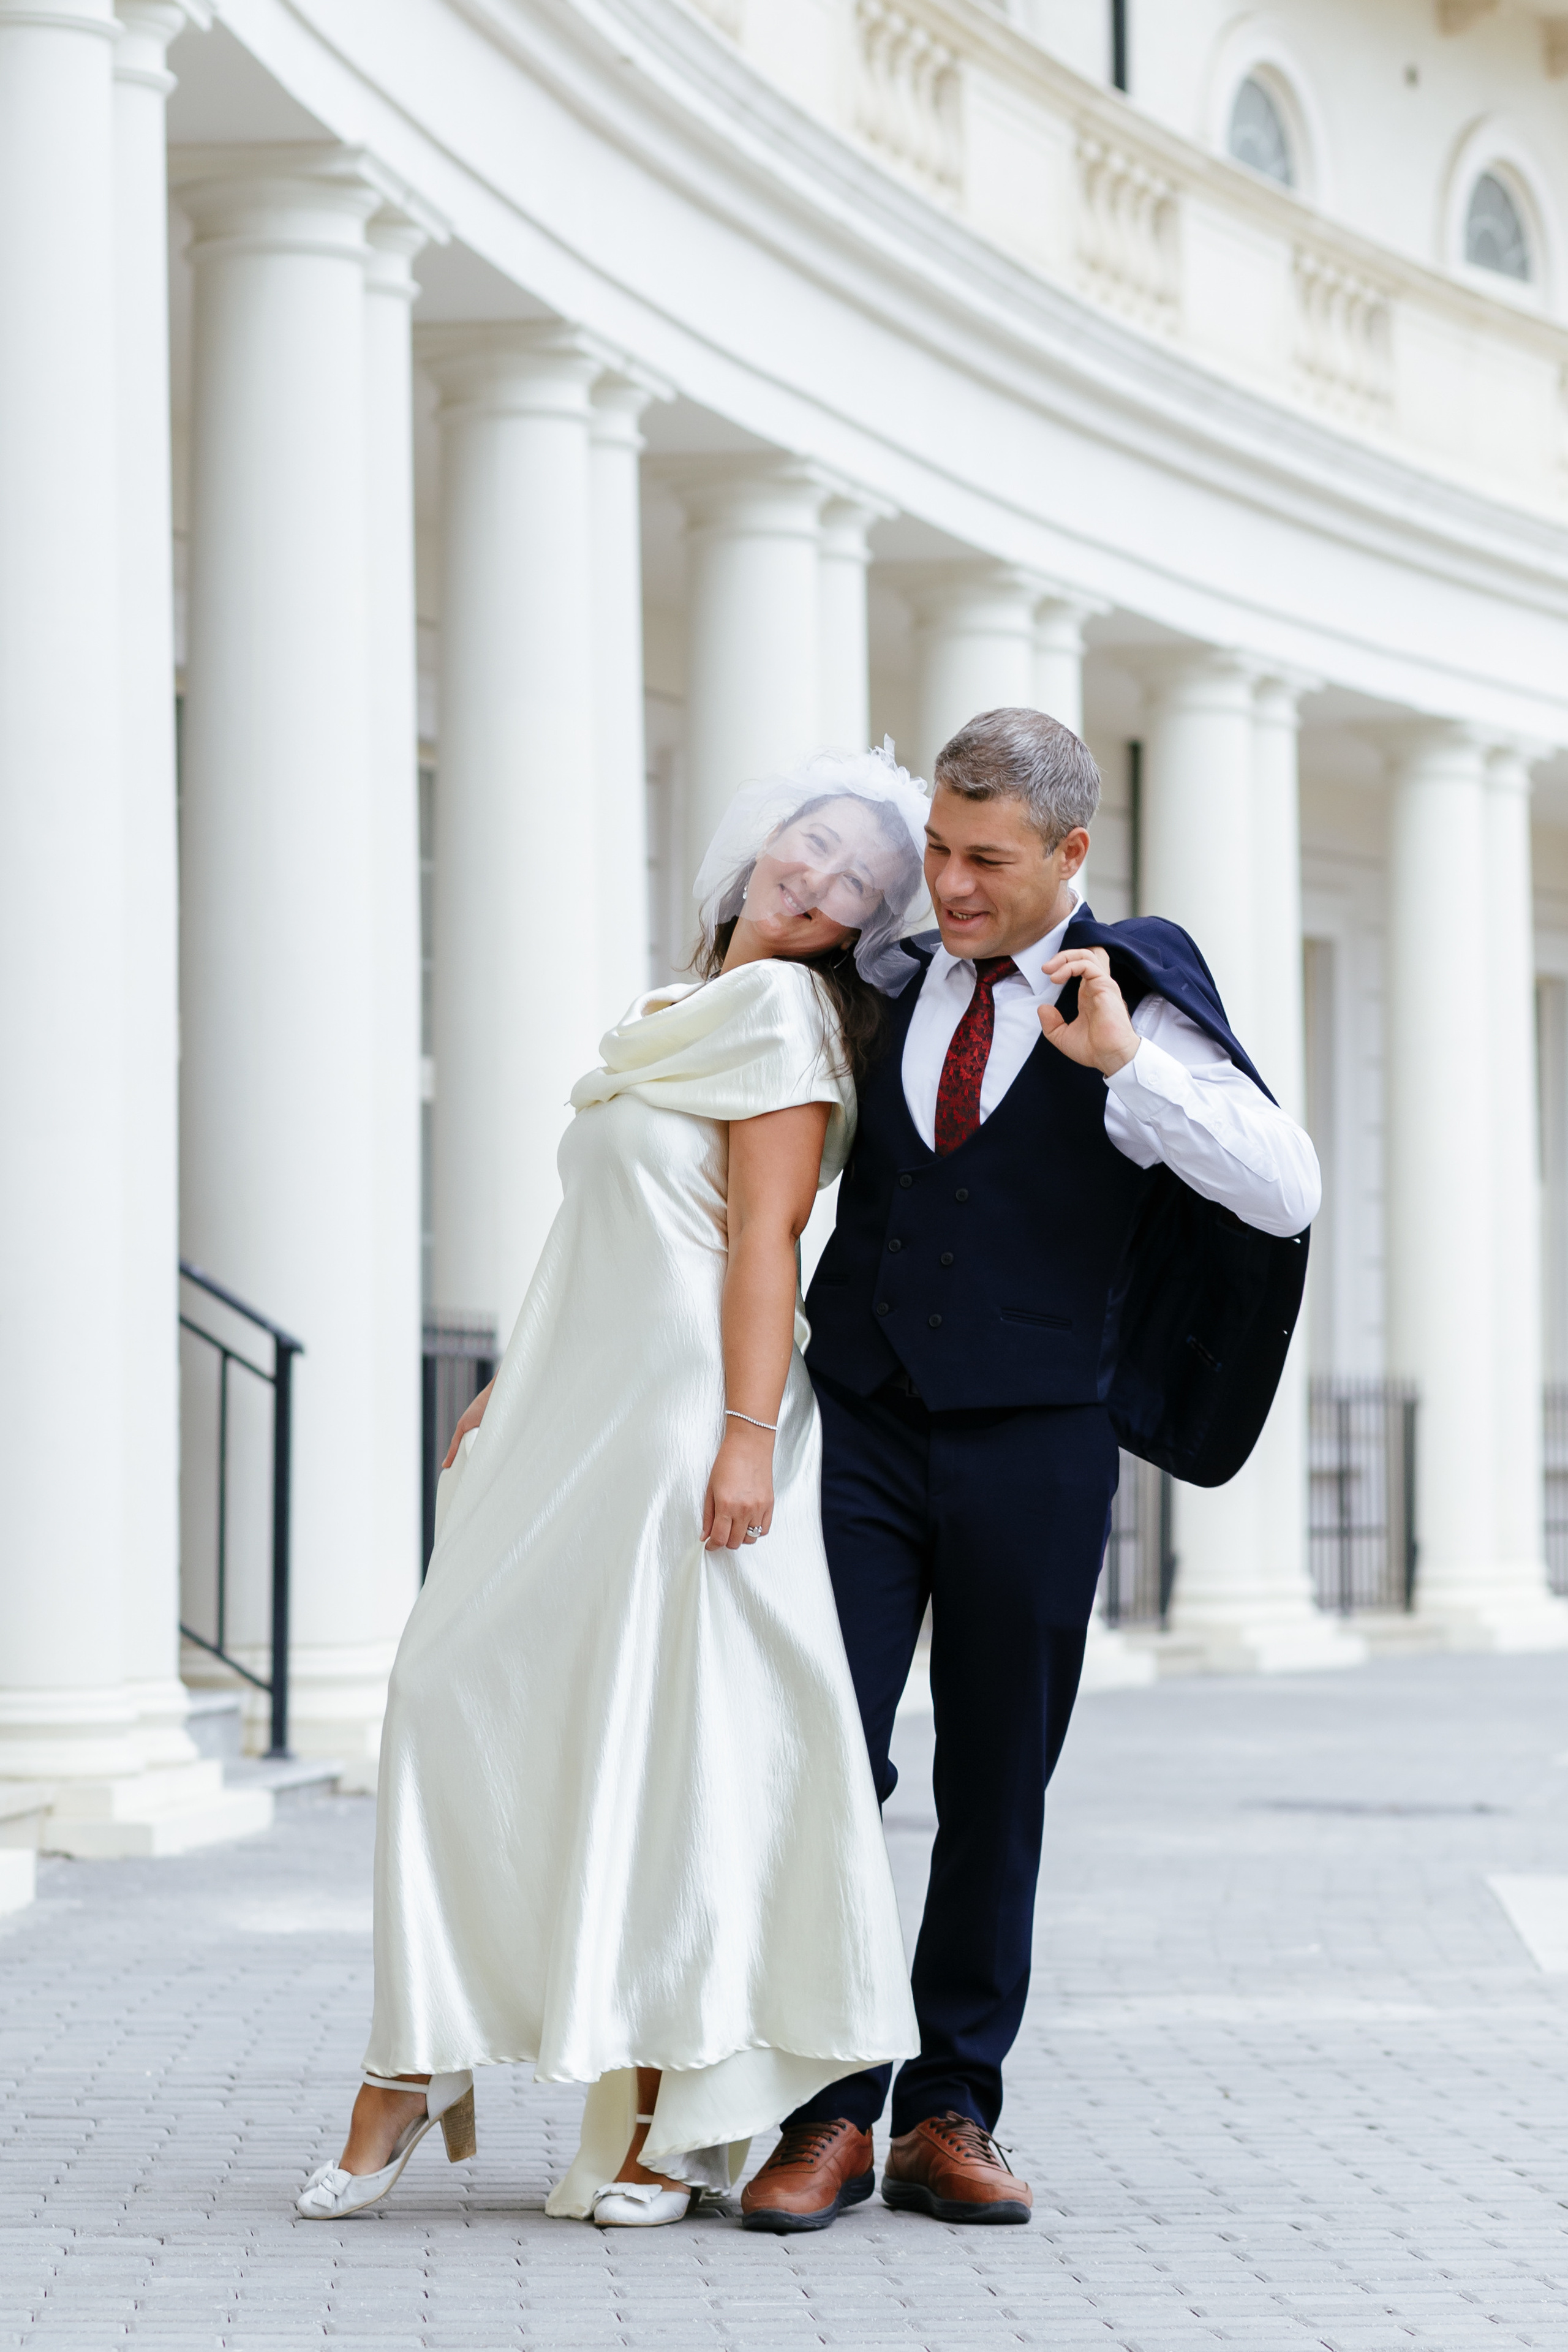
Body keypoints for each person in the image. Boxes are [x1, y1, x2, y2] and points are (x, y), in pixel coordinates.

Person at [296, 747, 930, 2228]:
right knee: (447, 1694)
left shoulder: (783, 1015)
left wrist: (745, 1434)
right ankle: (419, 2056)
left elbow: (761, 1243)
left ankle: (655, 2116)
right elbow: (607, 1226)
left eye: (857, 881)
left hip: (683, 1423)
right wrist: (521, 1375)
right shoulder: (666, 1014)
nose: (821, 879)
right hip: (574, 1412)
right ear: (762, 837)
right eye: (812, 844)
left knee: (662, 1751)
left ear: (865, 923)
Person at [737, 706, 1321, 2233]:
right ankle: (821, 2110)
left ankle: (949, 2111)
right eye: (934, 847)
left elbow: (1282, 1186)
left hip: (1037, 1439)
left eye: (984, 858)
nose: (947, 883)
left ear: (1070, 853)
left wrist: (1126, 1066)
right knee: (824, 1756)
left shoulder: (1135, 992)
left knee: (995, 1783)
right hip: (862, 1417)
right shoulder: (885, 972)